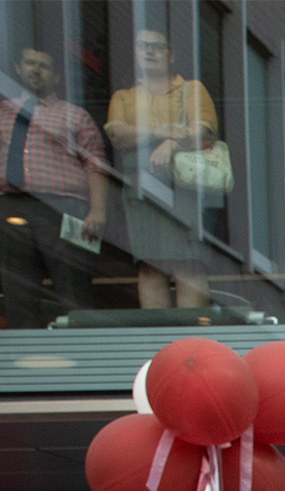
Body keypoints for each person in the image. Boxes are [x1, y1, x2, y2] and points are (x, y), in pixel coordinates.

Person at [0, 45, 108, 327]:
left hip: (64, 207)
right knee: (17, 290)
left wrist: (98, 211)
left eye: (43, 65)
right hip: (10, 207)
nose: (35, 69)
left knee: (73, 287)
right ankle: (25, 359)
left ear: (56, 77)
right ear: (18, 69)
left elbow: (96, 165)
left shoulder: (74, 115)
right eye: (29, 63)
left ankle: (82, 354)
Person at [104, 27, 218, 309]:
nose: (150, 51)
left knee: (188, 265)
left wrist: (170, 145)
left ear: (171, 56)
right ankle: (159, 347)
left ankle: (191, 343)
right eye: (143, 46)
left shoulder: (192, 89)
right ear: (136, 54)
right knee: (150, 265)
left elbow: (204, 131)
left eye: (157, 47)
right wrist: (165, 132)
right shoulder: (124, 97)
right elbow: (118, 135)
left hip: (184, 185)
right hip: (141, 186)